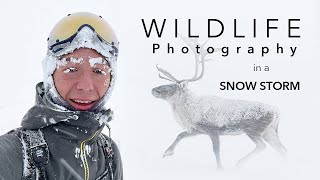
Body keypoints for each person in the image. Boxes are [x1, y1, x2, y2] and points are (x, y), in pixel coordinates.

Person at [0, 12, 123, 180]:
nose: (85, 86)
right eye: (71, 69)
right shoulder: (13, 154)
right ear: (50, 74)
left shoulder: (108, 154)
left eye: (98, 71)